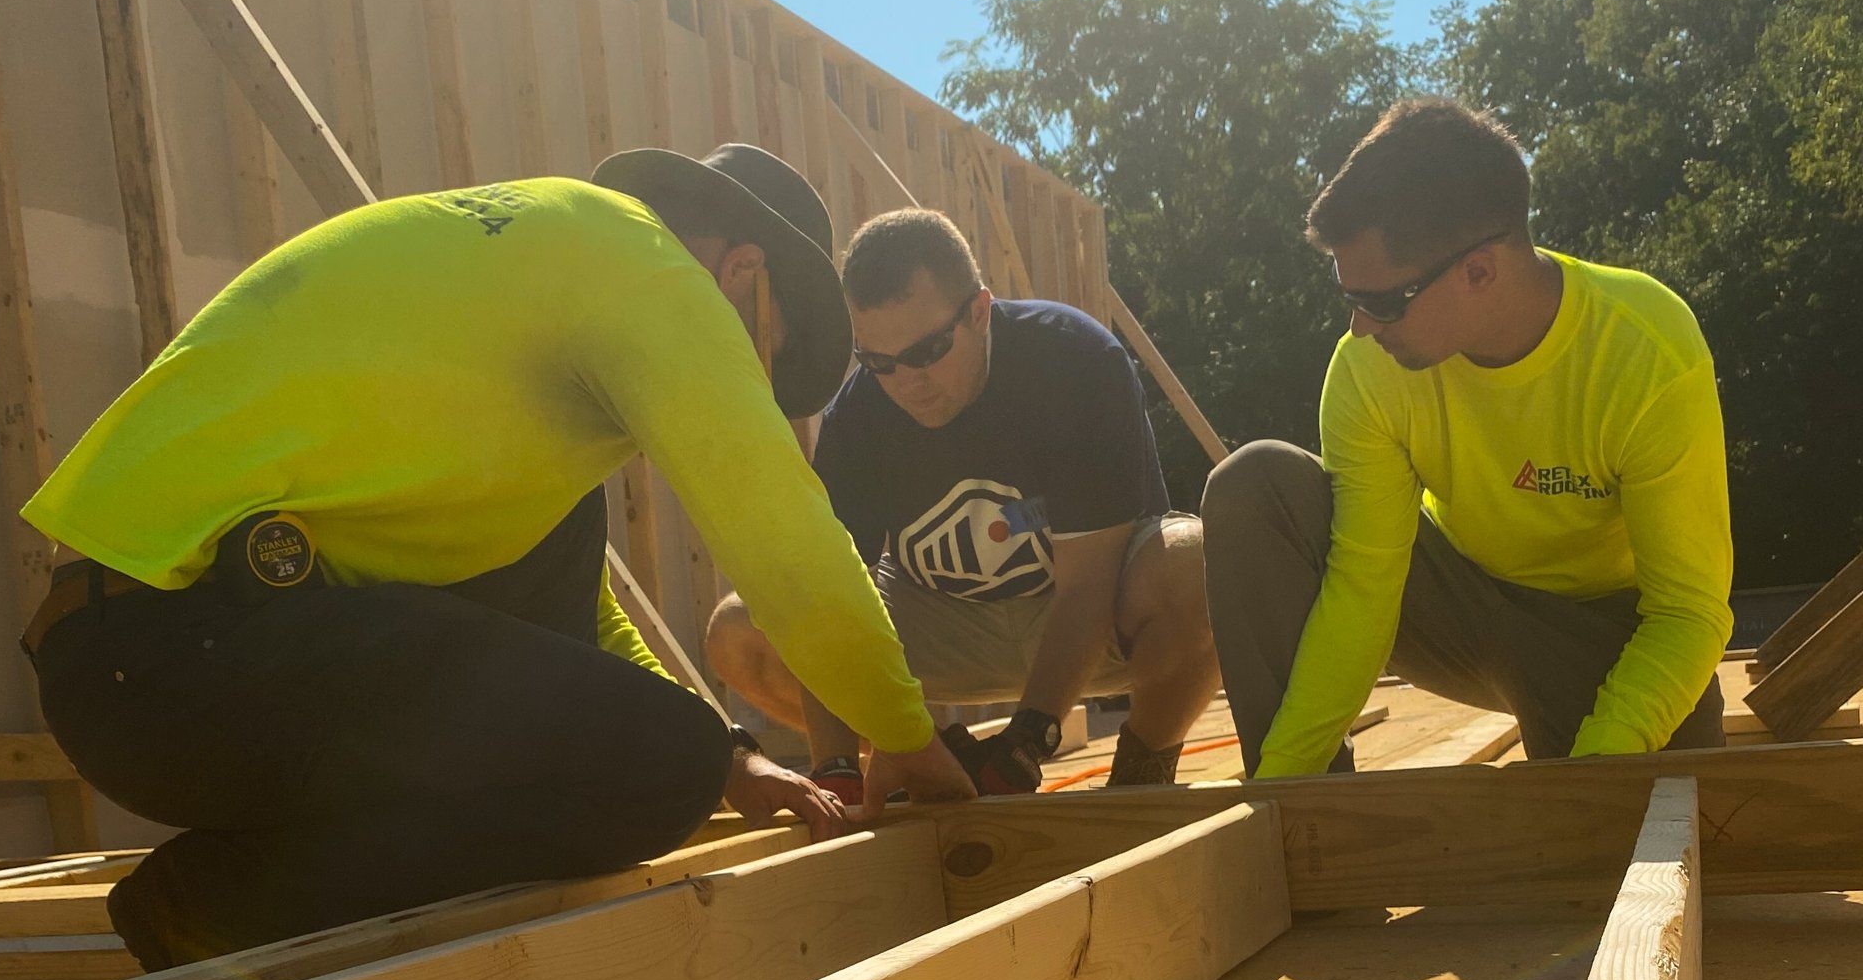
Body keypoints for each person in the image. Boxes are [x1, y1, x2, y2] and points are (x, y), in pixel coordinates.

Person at [19, 146, 973, 968]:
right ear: (741, 273)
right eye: (760, 353)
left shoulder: (540, 277)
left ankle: (238, 889)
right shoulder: (643, 265)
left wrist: (730, 758)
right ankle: (213, 908)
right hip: (170, 652)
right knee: (656, 768)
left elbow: (576, 619)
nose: (747, 383)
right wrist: (907, 741)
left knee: (670, 736)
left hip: (143, 666)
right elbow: (788, 548)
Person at [1201, 97, 1732, 777]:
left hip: (1605, 637)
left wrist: (1596, 766)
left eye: (1382, 302)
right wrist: (1282, 786)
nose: (1362, 326)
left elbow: (1688, 612)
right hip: (1460, 605)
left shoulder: (1645, 351)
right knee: (1256, 487)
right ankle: (1303, 809)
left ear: (1479, 271)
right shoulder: (1369, 369)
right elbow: (1364, 585)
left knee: (1657, 823)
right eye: (1350, 298)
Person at [707, 209, 1215, 798]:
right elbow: (827, 608)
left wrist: (1029, 738)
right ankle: (933, 754)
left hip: (1087, 615)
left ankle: (1142, 771)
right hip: (944, 627)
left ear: (979, 312)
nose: (907, 382)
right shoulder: (859, 416)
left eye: (927, 351)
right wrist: (836, 770)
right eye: (879, 362)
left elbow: (1086, 588)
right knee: (741, 632)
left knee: (1200, 563)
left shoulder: (1074, 360)